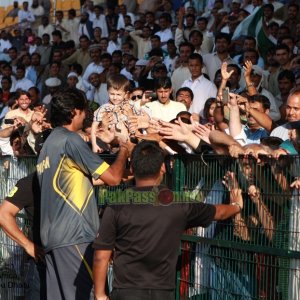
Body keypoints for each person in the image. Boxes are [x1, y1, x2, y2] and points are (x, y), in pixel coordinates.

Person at [93, 140, 243, 300]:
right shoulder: (177, 202)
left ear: (132, 168)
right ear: (163, 168)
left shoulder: (116, 204)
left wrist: (100, 295)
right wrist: (236, 205)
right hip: (163, 292)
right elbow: (218, 212)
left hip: (125, 292)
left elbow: (101, 256)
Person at [36, 88, 133, 300]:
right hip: (75, 238)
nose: (85, 116)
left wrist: (129, 175)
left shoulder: (48, 145)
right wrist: (124, 146)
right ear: (73, 112)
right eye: (83, 111)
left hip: (53, 240)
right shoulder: (71, 140)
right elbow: (113, 179)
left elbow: (83, 180)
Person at [0, 172, 46, 300]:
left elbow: (102, 177)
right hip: (42, 262)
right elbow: (3, 215)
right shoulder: (31, 182)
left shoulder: (73, 177)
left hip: (71, 260)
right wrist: (28, 246)